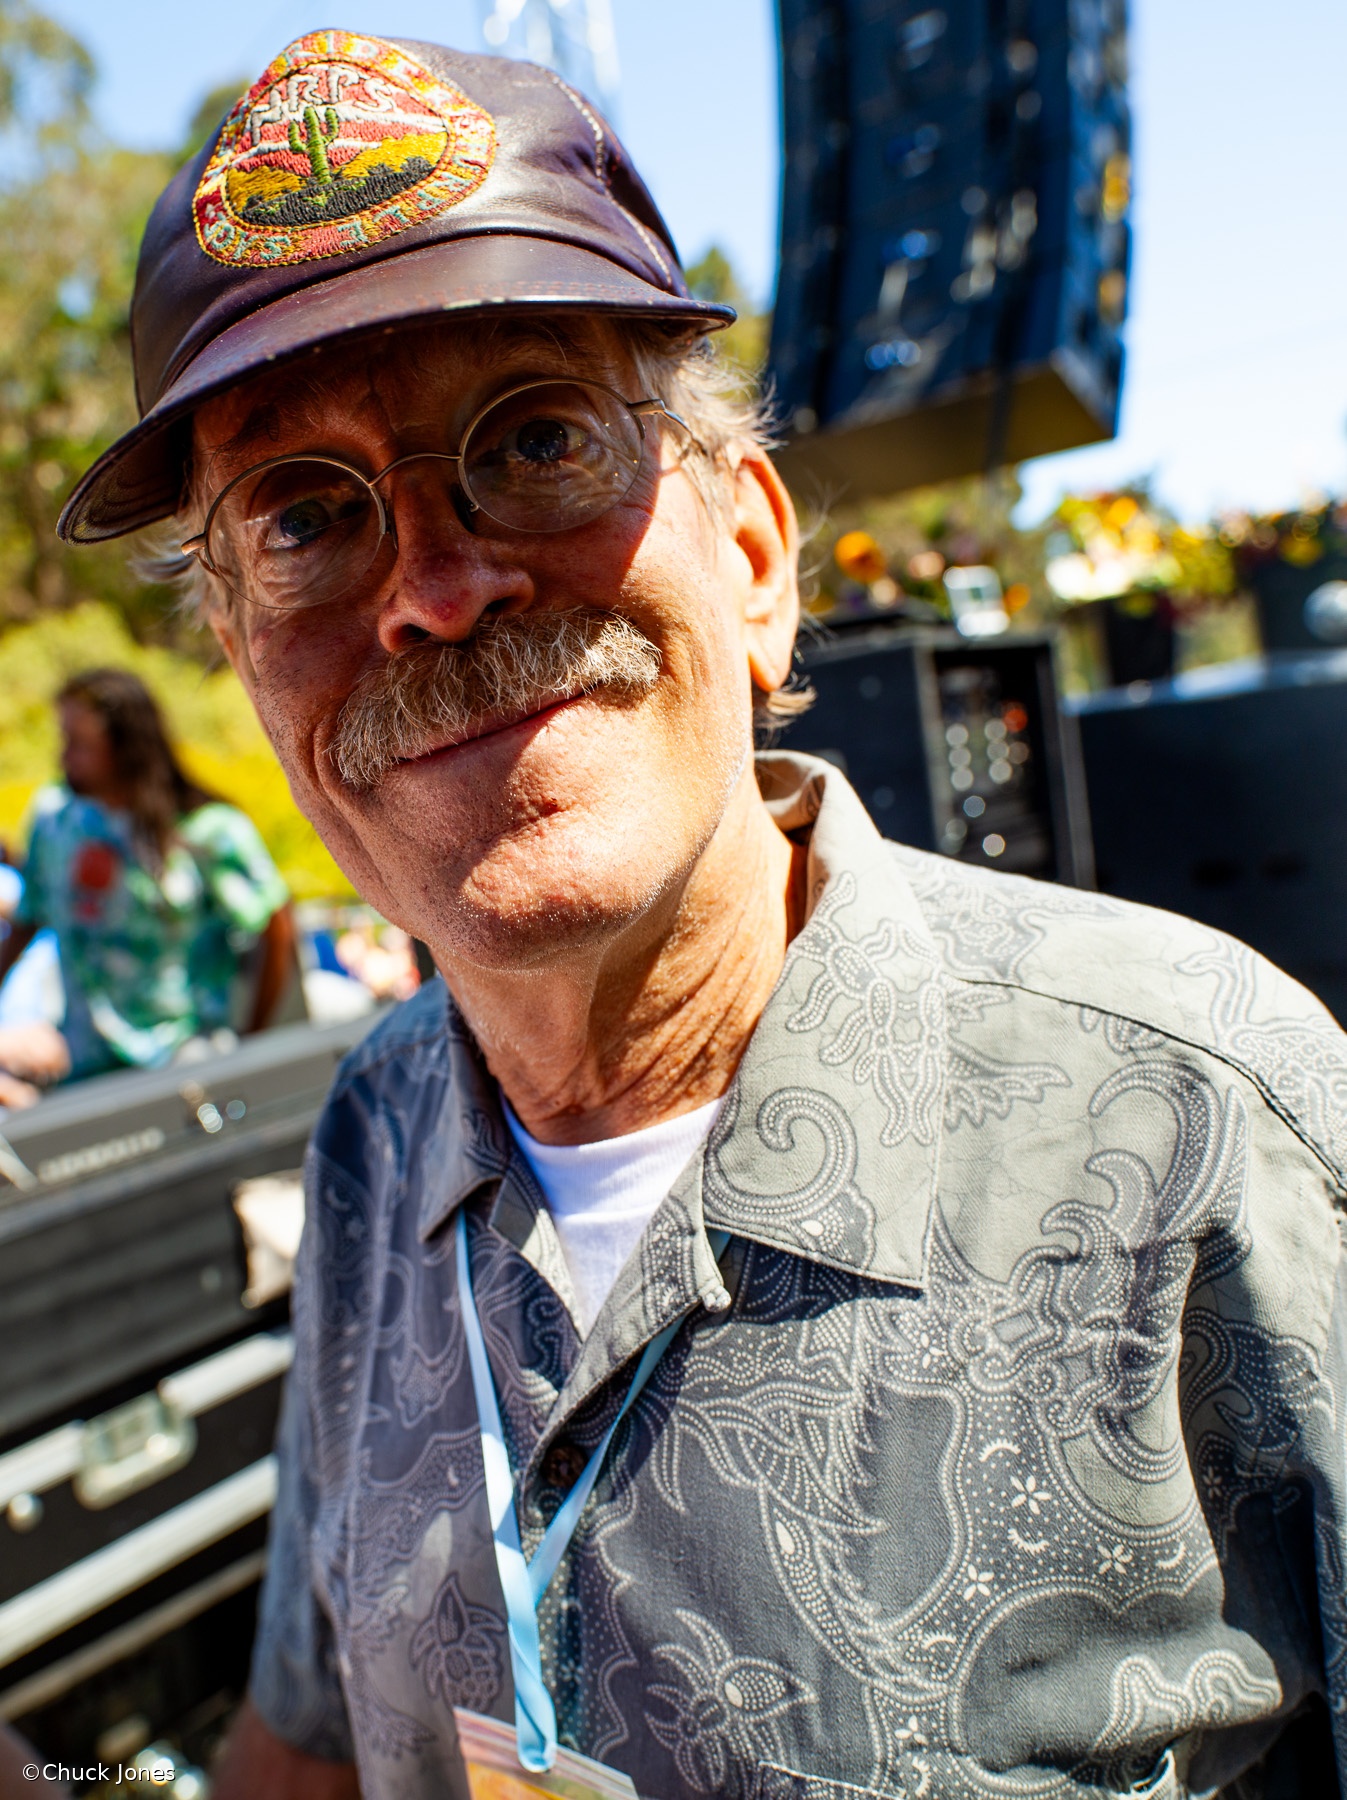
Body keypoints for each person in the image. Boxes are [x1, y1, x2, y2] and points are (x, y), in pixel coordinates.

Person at [55, 31, 1347, 1797]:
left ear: (750, 555)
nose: (434, 589)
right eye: (300, 517)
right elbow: (311, 1736)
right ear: (242, 665)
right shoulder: (374, 1138)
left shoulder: (1209, 1123)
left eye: (535, 438)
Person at [0, 668, 292, 1091]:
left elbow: (276, 925)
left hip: (187, 1057)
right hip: (86, 1062)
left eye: (79, 744)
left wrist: (253, 1036)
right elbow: (31, 916)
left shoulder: (206, 830)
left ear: (126, 746)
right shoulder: (55, 820)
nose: (64, 758)